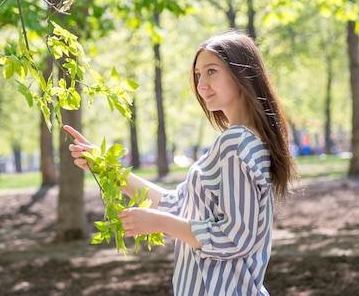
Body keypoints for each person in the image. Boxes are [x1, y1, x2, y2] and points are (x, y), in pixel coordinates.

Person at [65, 31, 298, 295]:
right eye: (198, 75)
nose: (201, 85)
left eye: (212, 71)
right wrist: (105, 167)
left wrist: (160, 223)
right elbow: (177, 204)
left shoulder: (237, 142)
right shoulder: (239, 140)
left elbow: (235, 238)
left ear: (242, 74)